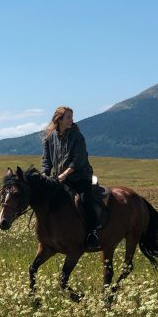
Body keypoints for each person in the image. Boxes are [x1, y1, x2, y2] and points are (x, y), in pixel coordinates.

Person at [41, 106, 100, 250]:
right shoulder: (50, 137)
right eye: (68, 117)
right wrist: (44, 174)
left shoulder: (77, 136)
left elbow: (77, 160)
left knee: (85, 199)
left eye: (71, 117)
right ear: (59, 119)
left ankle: (93, 233)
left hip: (80, 177)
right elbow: (46, 160)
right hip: (60, 178)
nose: (71, 120)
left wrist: (64, 174)